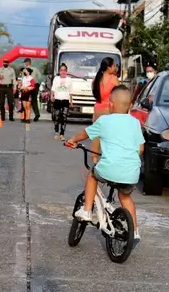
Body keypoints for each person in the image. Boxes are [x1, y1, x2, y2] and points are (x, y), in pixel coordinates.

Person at [67, 85, 144, 249]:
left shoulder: (104, 121)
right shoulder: (135, 123)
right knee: (125, 198)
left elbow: (85, 134)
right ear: (130, 106)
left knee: (92, 175)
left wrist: (73, 140)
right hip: (131, 172)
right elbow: (141, 149)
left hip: (110, 169)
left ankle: (87, 211)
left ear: (110, 105)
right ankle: (135, 231)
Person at [91, 57, 120, 163]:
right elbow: (119, 95)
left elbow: (95, 93)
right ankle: (107, 159)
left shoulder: (97, 78)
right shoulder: (113, 79)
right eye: (114, 66)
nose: (115, 68)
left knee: (96, 135)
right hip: (109, 110)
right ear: (109, 67)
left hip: (98, 109)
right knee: (109, 136)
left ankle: (94, 159)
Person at [51, 63, 73, 141]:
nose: (63, 72)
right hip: (57, 99)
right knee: (56, 116)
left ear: (66, 71)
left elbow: (70, 91)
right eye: (61, 70)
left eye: (64, 70)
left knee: (64, 117)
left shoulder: (69, 80)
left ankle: (62, 134)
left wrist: (71, 102)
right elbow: (53, 89)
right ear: (59, 71)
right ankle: (56, 132)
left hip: (65, 100)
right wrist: (52, 96)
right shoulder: (56, 79)